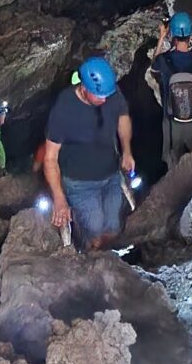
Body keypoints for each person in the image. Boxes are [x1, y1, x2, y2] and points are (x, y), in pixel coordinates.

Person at [43, 57, 135, 249]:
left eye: (107, 95)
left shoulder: (111, 93)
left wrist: (127, 151)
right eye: (99, 95)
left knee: (113, 227)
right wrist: (59, 199)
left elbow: (123, 117)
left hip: (111, 175)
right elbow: (50, 158)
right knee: (94, 231)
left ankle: (109, 259)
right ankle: (88, 253)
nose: (104, 99)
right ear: (83, 88)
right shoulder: (64, 107)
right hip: (80, 183)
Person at [151, 11, 192, 165]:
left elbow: (154, 64)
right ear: (190, 34)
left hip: (171, 122)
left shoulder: (164, 60)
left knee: (174, 165)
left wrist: (162, 36)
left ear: (172, 34)